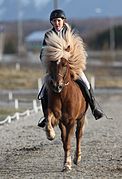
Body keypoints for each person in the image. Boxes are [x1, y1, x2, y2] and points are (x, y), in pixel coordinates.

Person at [38, 9, 103, 127]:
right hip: (55, 69)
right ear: (51, 23)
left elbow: (76, 49)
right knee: (43, 92)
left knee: (86, 83)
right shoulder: (48, 35)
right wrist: (48, 64)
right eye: (54, 21)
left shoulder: (68, 33)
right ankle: (45, 117)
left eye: (58, 20)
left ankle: (94, 109)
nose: (56, 23)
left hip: (71, 66)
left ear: (63, 21)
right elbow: (42, 54)